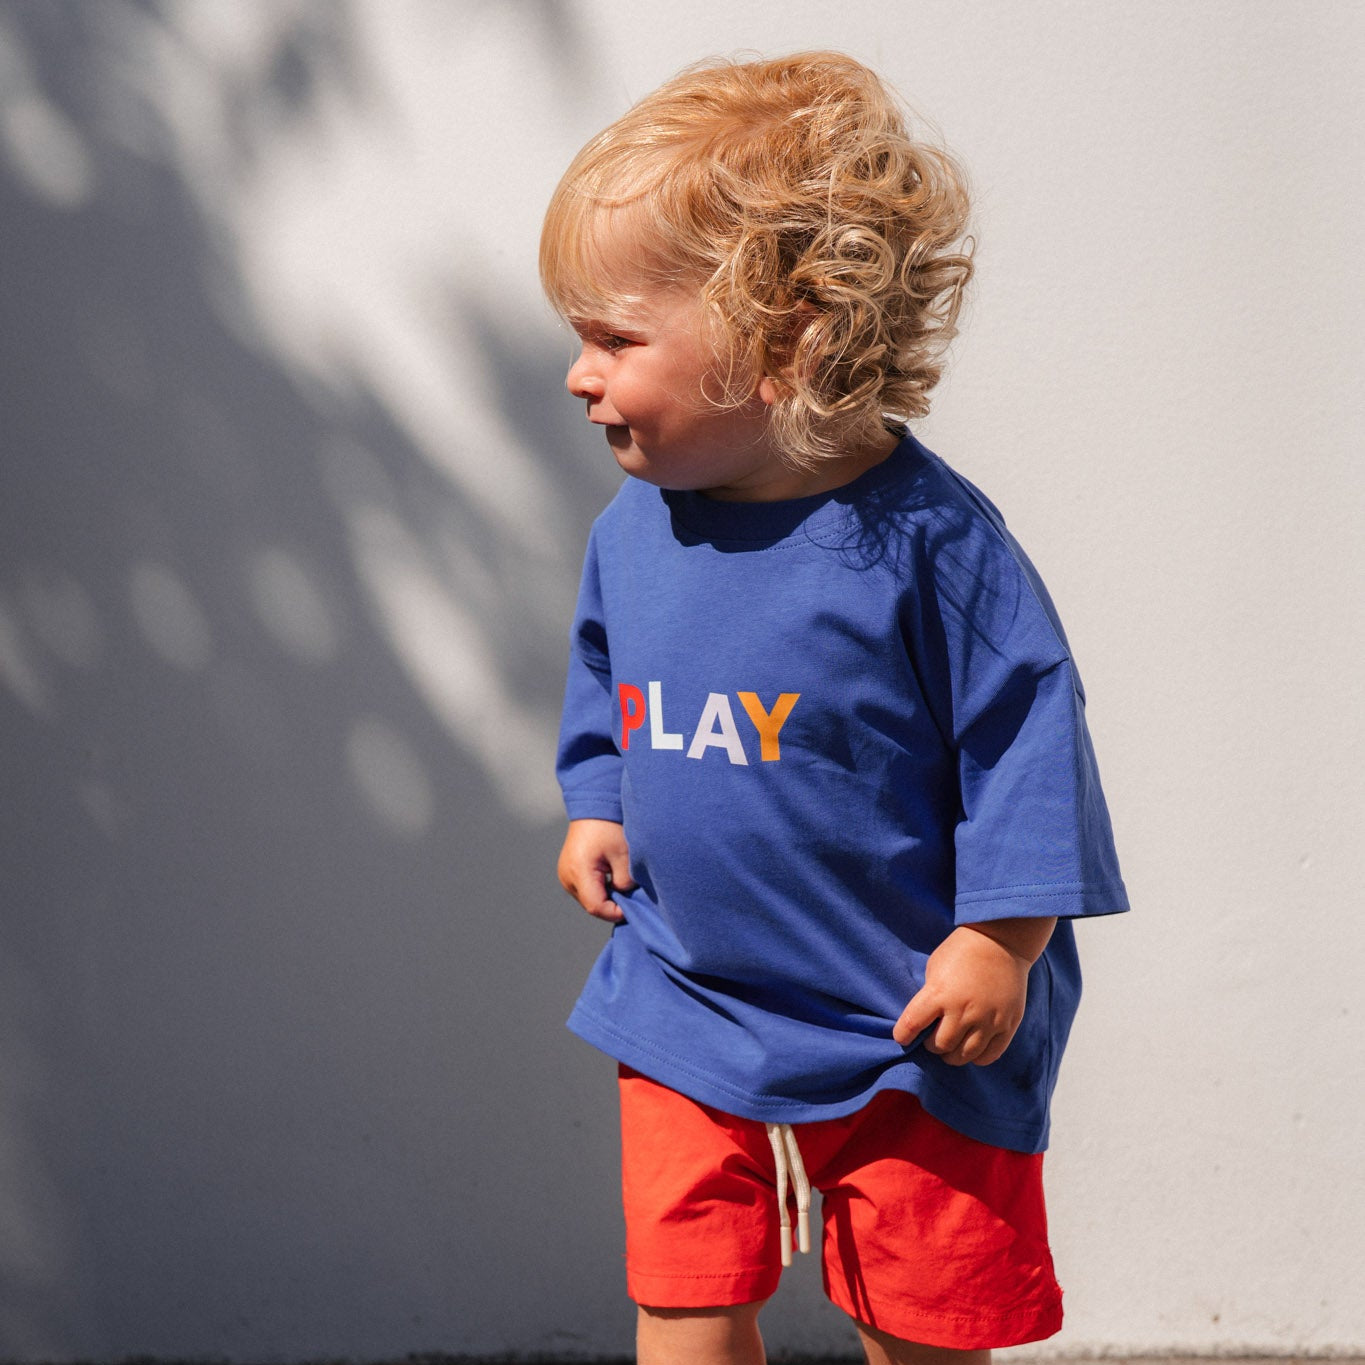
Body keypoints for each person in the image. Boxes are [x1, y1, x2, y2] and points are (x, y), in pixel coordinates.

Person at [541, 51, 1128, 1365]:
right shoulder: (634, 533)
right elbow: (604, 671)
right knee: (683, 1287)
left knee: (921, 1307)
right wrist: (594, 801)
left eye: (613, 337)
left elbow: (1027, 740)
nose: (579, 376)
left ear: (785, 337)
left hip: (904, 1022)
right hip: (689, 988)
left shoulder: (930, 542)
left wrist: (998, 943)